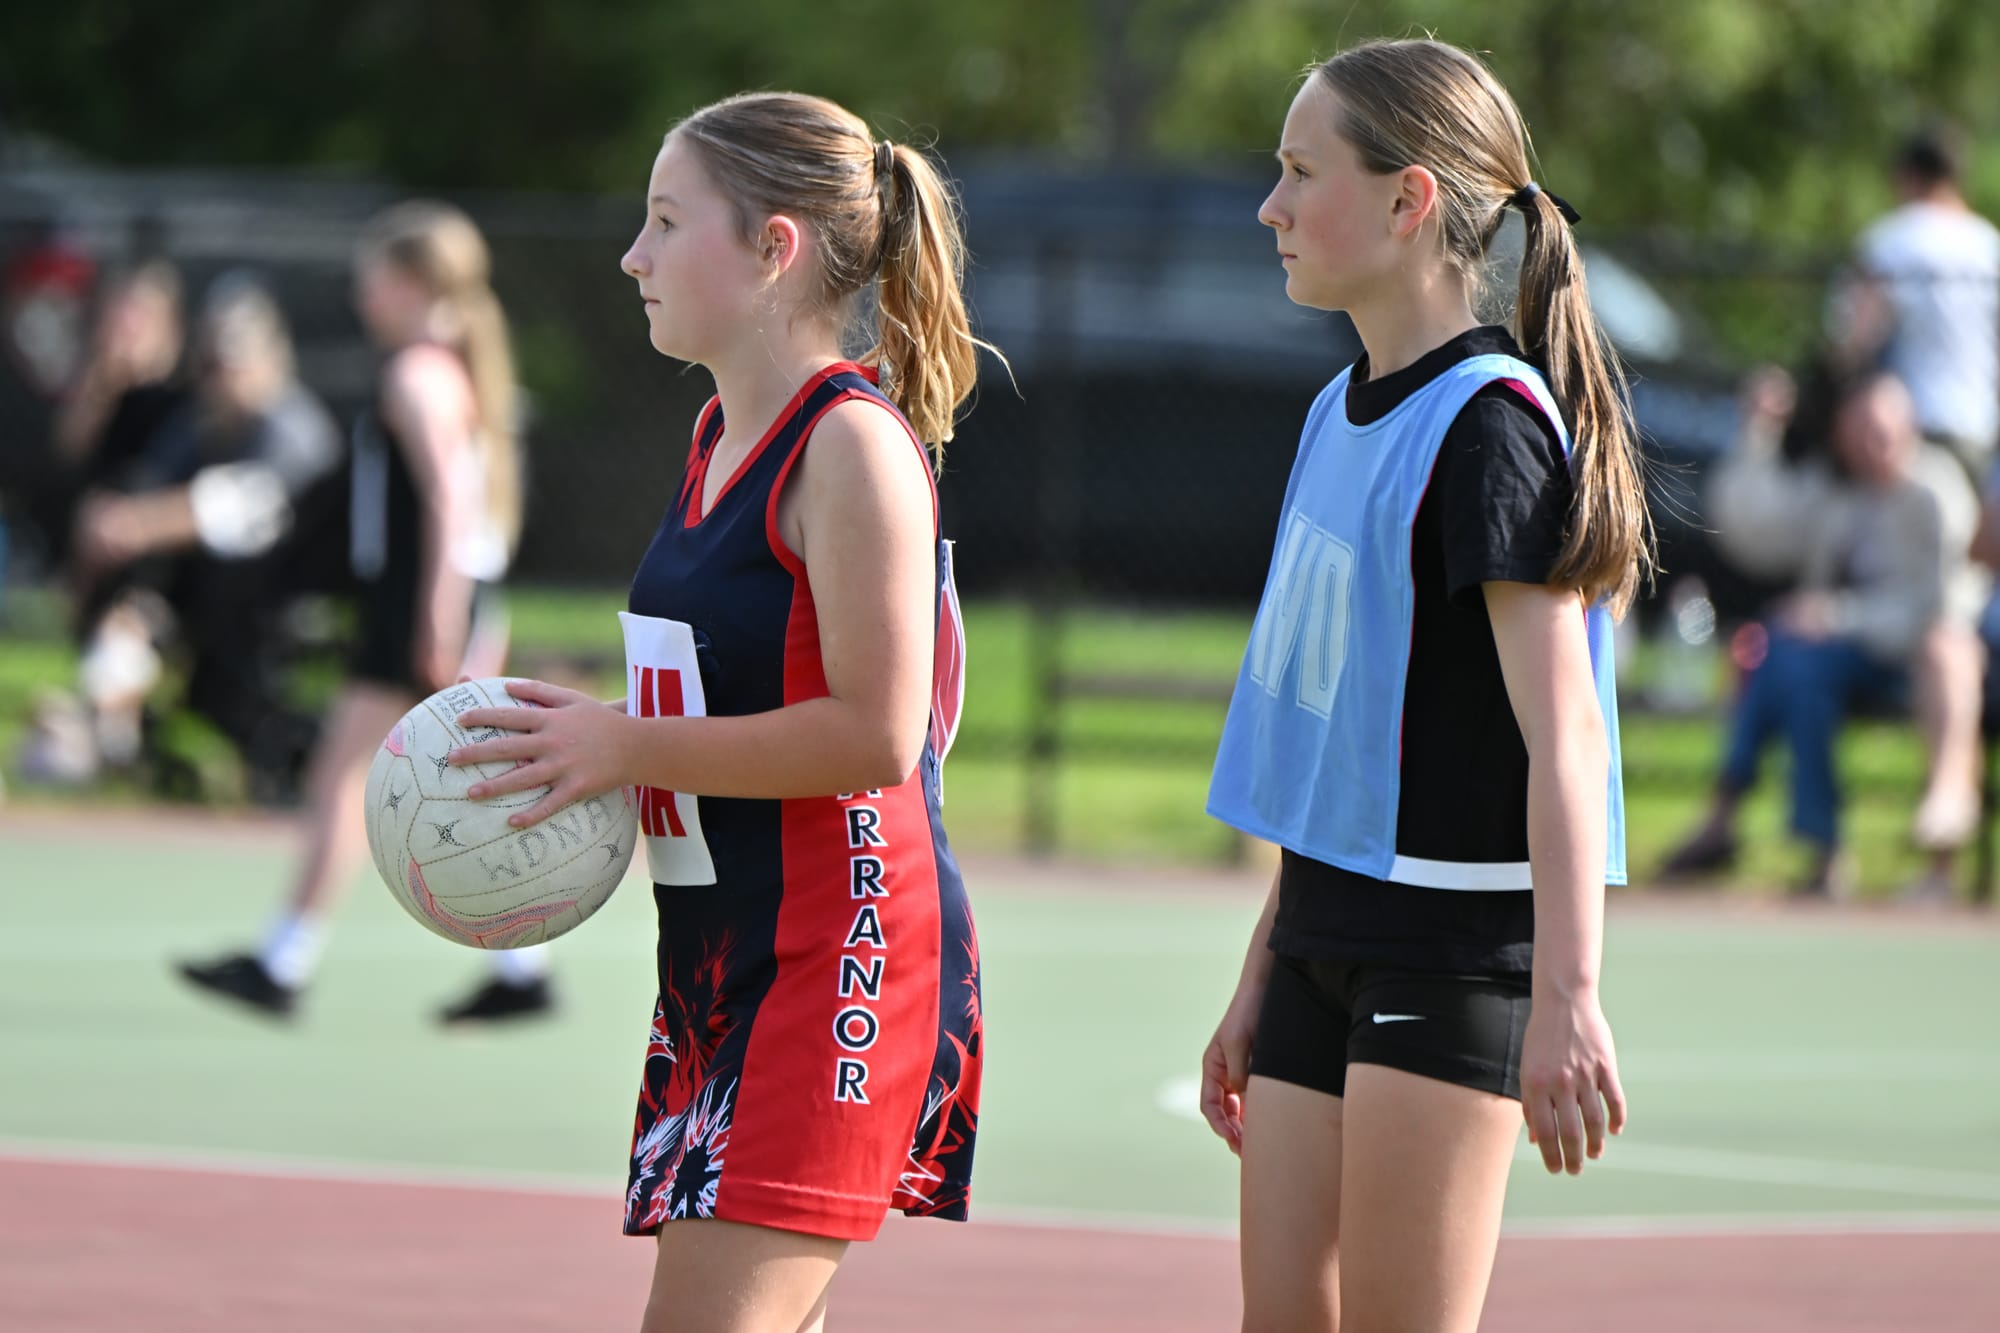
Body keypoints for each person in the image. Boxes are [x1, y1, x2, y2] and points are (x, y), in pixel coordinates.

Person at [439, 93, 986, 1333]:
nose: (633, 255)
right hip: (722, 957)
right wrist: (589, 741)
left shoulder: (848, 447)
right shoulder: (714, 435)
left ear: (772, 249)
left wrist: (624, 743)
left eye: (666, 220)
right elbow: (741, 679)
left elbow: (876, 733)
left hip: (836, 953)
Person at [1197, 40, 1643, 1333]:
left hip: (1450, 947)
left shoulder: (1489, 427)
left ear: (1409, 203)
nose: (1270, 207)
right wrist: (1260, 964)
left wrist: (1567, 992)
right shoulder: (1336, 416)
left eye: (1298, 172)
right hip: (1322, 934)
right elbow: (1342, 748)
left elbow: (1566, 736)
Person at [177, 203, 549, 1024]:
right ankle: (523, 967)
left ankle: (285, 961)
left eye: (374, 275)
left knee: (350, 777)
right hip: (435, 596)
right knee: (453, 785)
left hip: (420, 601)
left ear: (412, 283)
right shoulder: (447, 368)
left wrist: (435, 614)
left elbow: (450, 501)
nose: (361, 290)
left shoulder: (417, 374)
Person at [1664, 370, 1980, 897]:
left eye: (1883, 428)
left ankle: (1727, 815)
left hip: (1917, 665)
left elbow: (1941, 608)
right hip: (1844, 662)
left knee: (1790, 652)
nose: (1873, 442)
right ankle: (1819, 851)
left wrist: (1835, 616)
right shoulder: (1834, 494)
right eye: (1859, 428)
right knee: (1784, 658)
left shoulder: (1936, 492)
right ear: (1841, 433)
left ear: (1910, 428)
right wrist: (1758, 434)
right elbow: (1750, 529)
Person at [24, 272, 339, 789]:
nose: (224, 375)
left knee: (143, 542)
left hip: (283, 600)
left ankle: (104, 727)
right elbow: (143, 490)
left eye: (237, 360)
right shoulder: (201, 424)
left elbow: (241, 504)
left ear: (272, 354)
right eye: (214, 363)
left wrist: (135, 523)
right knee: (128, 569)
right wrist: (110, 524)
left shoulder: (293, 427)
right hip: (205, 595)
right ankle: (109, 719)